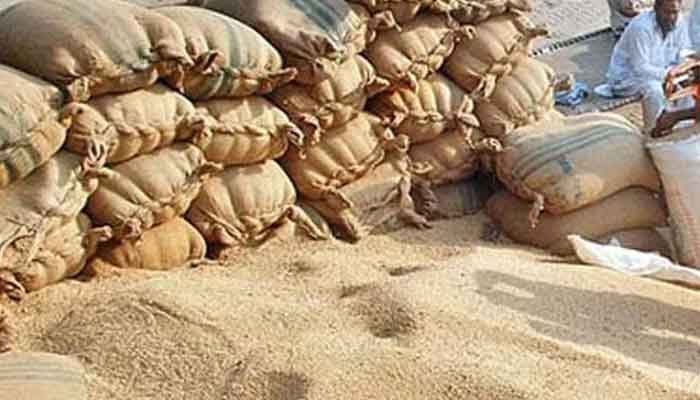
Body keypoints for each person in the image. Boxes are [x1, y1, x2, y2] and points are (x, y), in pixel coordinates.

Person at [605, 0, 694, 134]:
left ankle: (682, 131)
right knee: (654, 90)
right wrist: (668, 75)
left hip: (663, 72)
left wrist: (681, 73)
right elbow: (640, 67)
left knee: (688, 87)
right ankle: (654, 132)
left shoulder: (679, 22)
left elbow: (684, 52)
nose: (671, 17)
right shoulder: (641, 27)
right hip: (628, 78)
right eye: (666, 12)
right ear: (656, 9)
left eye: (674, 12)